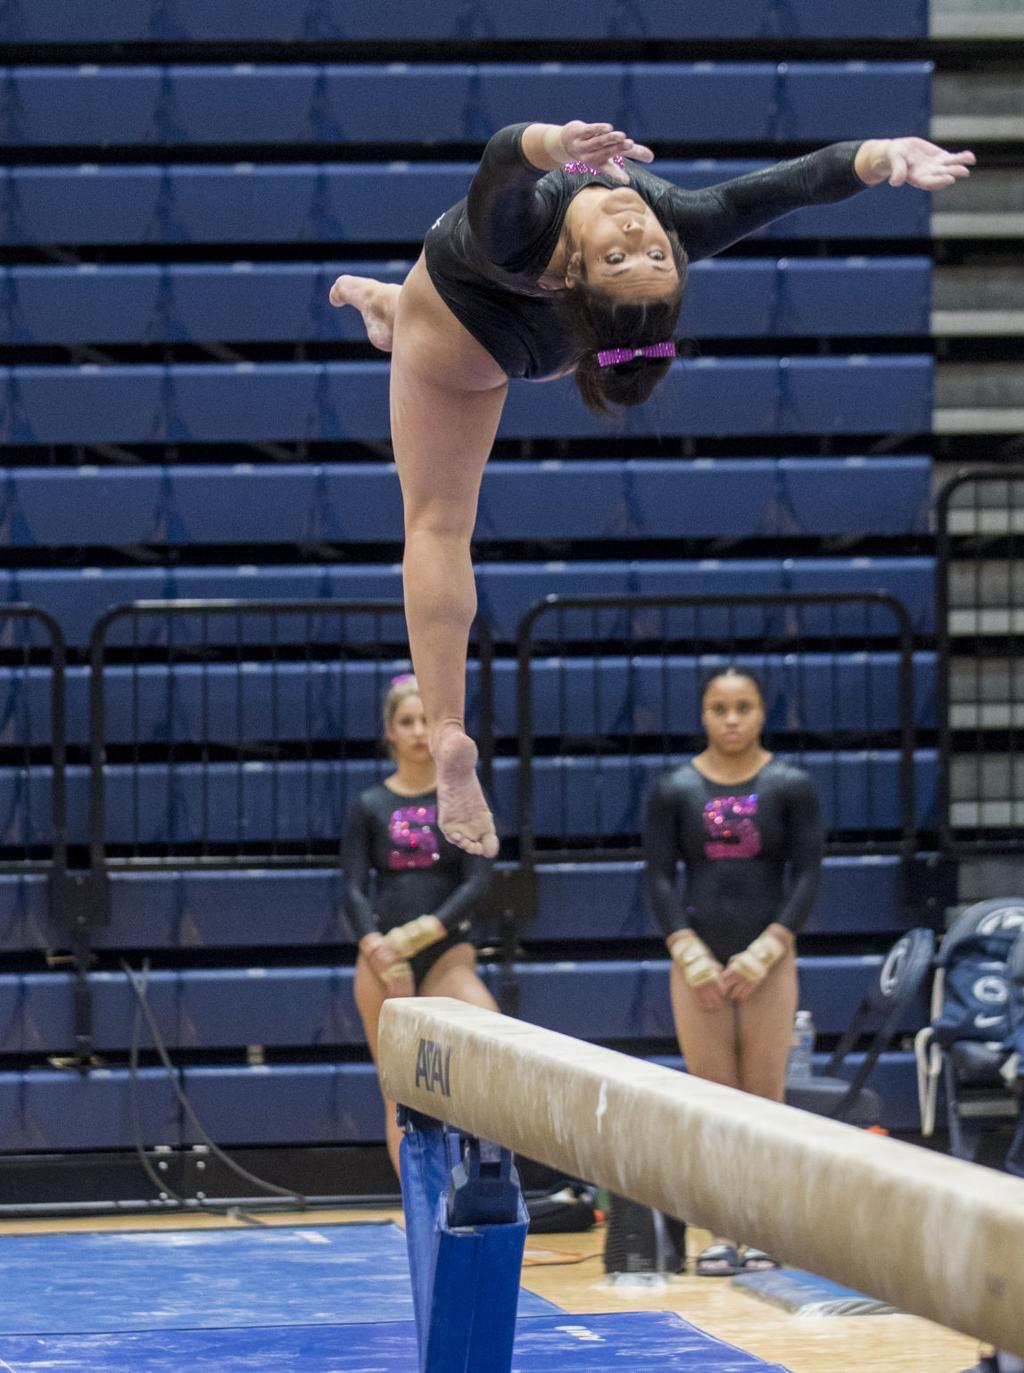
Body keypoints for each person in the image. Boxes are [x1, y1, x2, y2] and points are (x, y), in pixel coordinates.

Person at [329, 120, 975, 859]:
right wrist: (885, 157)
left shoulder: (523, 234)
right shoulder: (671, 224)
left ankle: (448, 733)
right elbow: (790, 186)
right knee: (410, 318)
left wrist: (553, 144)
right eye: (650, 252)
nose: (638, 230)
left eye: (622, 253)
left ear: (570, 271)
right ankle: (388, 307)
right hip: (568, 336)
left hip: (464, 336)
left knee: (437, 525)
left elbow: (503, 156)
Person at [642, 667, 824, 1276]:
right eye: (719, 708)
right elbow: (661, 877)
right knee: (715, 1101)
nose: (732, 719)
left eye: (743, 706)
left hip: (767, 962)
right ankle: (722, 1231)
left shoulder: (789, 784)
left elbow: (807, 875)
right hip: (698, 965)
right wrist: (690, 954)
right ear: (703, 715)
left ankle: (765, 1227)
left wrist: (766, 951)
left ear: (762, 713)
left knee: (765, 1100)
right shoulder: (674, 788)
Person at [341, 674, 498, 1174]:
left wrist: (424, 932)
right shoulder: (370, 805)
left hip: (446, 955)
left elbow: (478, 881)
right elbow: (351, 887)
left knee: (490, 1055)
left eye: (426, 720)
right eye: (406, 722)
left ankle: (478, 1194)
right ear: (389, 731)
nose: (415, 731)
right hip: (384, 962)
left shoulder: (461, 797)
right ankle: (421, 1220)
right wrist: (376, 946)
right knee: (399, 1096)